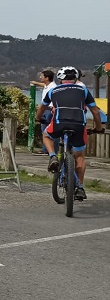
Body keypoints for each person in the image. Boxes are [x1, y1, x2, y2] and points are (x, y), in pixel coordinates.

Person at [35, 66, 105, 201]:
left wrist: (38, 118)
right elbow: (95, 112)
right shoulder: (83, 90)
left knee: (46, 135)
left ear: (60, 79)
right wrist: (98, 128)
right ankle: (80, 187)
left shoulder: (54, 90)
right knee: (79, 156)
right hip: (79, 125)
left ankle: (53, 156)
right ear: (75, 78)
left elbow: (42, 107)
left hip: (59, 123)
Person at [31, 70, 57, 154]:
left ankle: (50, 150)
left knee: (49, 130)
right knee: (44, 130)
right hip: (46, 109)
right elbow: (43, 85)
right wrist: (36, 83)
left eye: (42, 76)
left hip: (49, 110)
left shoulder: (53, 87)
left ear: (47, 78)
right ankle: (46, 149)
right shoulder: (48, 85)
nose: (40, 77)